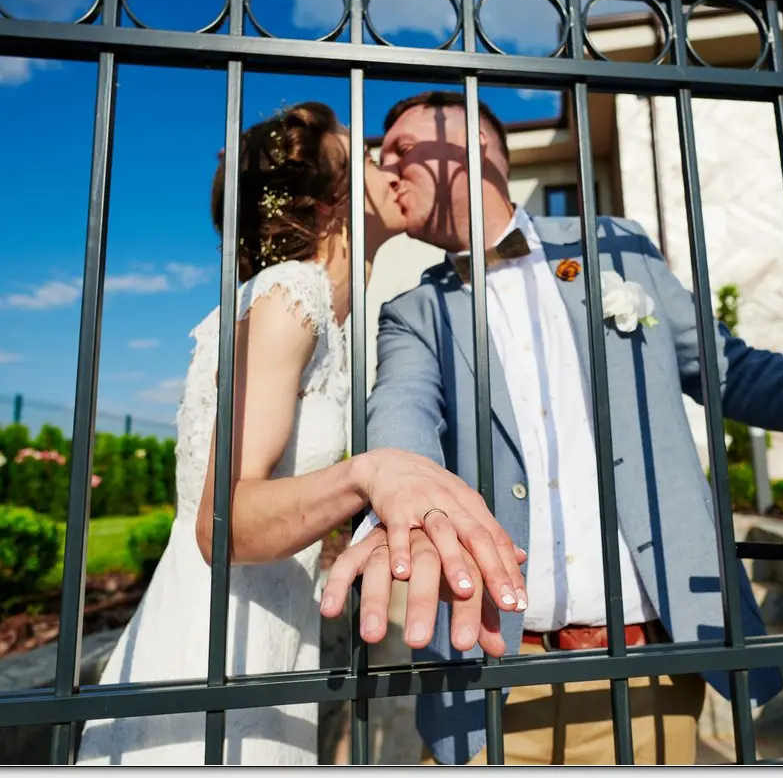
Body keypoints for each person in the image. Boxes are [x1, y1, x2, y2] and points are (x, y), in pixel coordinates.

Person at [321, 90, 783, 765]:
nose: (386, 171)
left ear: (474, 148)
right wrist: (397, 497)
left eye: (401, 150)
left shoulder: (614, 247)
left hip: (648, 667)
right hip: (490, 673)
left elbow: (739, 374)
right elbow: (402, 416)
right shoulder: (412, 310)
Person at [75, 102, 526, 766]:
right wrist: (363, 474)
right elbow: (222, 520)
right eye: (367, 159)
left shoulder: (321, 315)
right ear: (327, 204)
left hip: (273, 626)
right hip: (216, 637)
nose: (390, 168)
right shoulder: (289, 297)